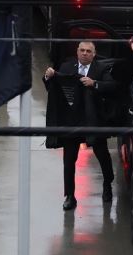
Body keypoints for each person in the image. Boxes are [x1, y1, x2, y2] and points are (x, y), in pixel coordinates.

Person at [43, 40, 118, 210]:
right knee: (69, 160)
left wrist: (94, 83)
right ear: (77, 52)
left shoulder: (101, 69)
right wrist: (48, 76)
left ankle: (107, 183)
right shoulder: (67, 67)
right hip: (72, 122)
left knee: (102, 155)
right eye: (82, 50)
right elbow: (53, 87)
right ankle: (70, 196)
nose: (85, 53)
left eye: (88, 51)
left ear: (94, 54)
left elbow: (112, 86)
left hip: (94, 122)